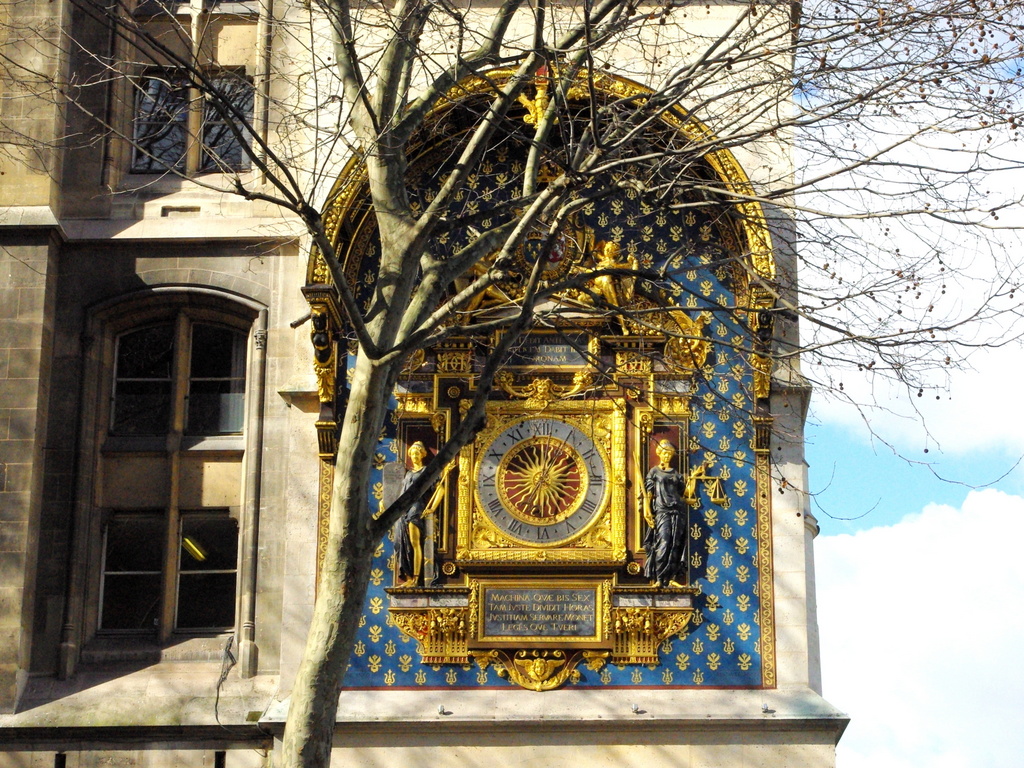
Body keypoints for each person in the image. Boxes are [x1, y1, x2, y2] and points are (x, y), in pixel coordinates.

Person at [394, 442, 444, 587]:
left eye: (417, 453)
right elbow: (401, 494)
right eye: (412, 453)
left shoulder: (426, 472)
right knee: (403, 544)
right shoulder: (408, 474)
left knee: (415, 544)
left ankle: (416, 578)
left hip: (416, 508)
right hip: (404, 510)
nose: (414, 456)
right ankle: (409, 577)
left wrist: (432, 508)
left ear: (423, 455)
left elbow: (441, 489)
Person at [642, 439, 689, 587]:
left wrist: (693, 478)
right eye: (664, 453)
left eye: (669, 453)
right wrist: (646, 511)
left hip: (678, 511)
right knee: (663, 543)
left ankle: (671, 578)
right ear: (659, 453)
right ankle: (659, 578)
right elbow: (648, 495)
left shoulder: (676, 473)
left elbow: (686, 494)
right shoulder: (654, 472)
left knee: (675, 543)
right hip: (662, 511)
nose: (667, 456)